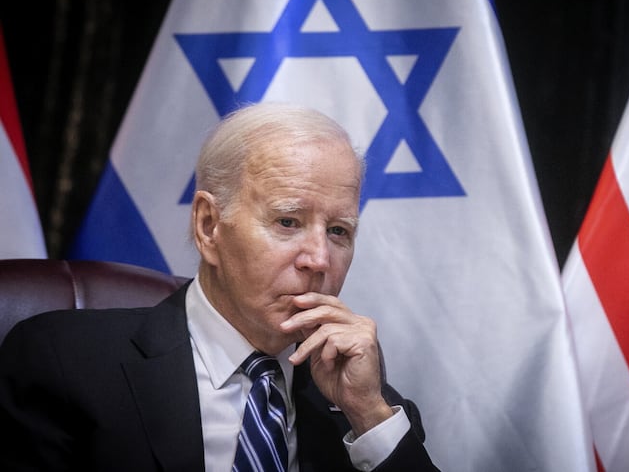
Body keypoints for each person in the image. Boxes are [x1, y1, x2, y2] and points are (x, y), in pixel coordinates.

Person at [0, 102, 439, 471]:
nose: (319, 260)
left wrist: (369, 414)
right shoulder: (63, 361)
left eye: (339, 231)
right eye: (288, 222)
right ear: (209, 225)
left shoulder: (364, 407)